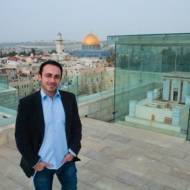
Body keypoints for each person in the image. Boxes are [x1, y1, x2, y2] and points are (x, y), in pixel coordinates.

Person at [15, 60, 82, 190]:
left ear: (60, 79)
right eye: (48, 75)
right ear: (40, 76)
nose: (52, 80)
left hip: (66, 161)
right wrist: (34, 162)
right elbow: (21, 137)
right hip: (42, 165)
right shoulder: (27, 104)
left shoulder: (69, 98)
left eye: (56, 77)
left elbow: (76, 127)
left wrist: (73, 152)